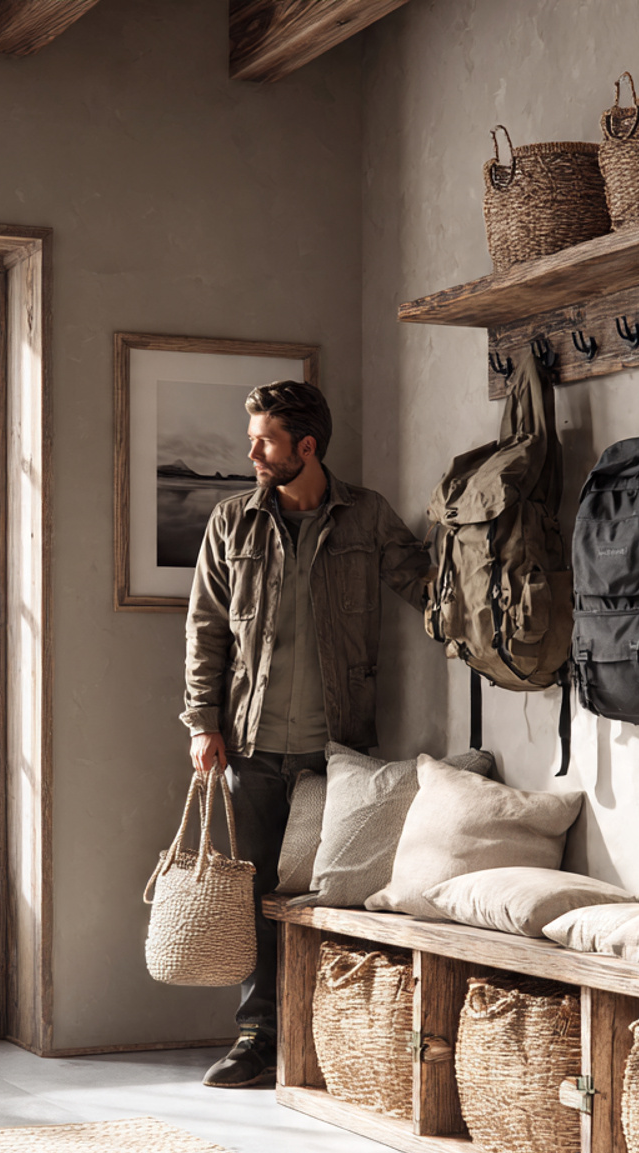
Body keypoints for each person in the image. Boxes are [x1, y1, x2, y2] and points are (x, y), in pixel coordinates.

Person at [182, 379, 430, 1087]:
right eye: (254, 437)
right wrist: (203, 721)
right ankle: (259, 1037)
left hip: (341, 747)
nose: (251, 450)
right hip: (252, 743)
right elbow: (205, 628)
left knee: (333, 895)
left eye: (264, 439)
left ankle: (326, 1033)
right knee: (257, 892)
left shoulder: (369, 517)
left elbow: (425, 586)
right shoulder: (233, 522)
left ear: (307, 447)